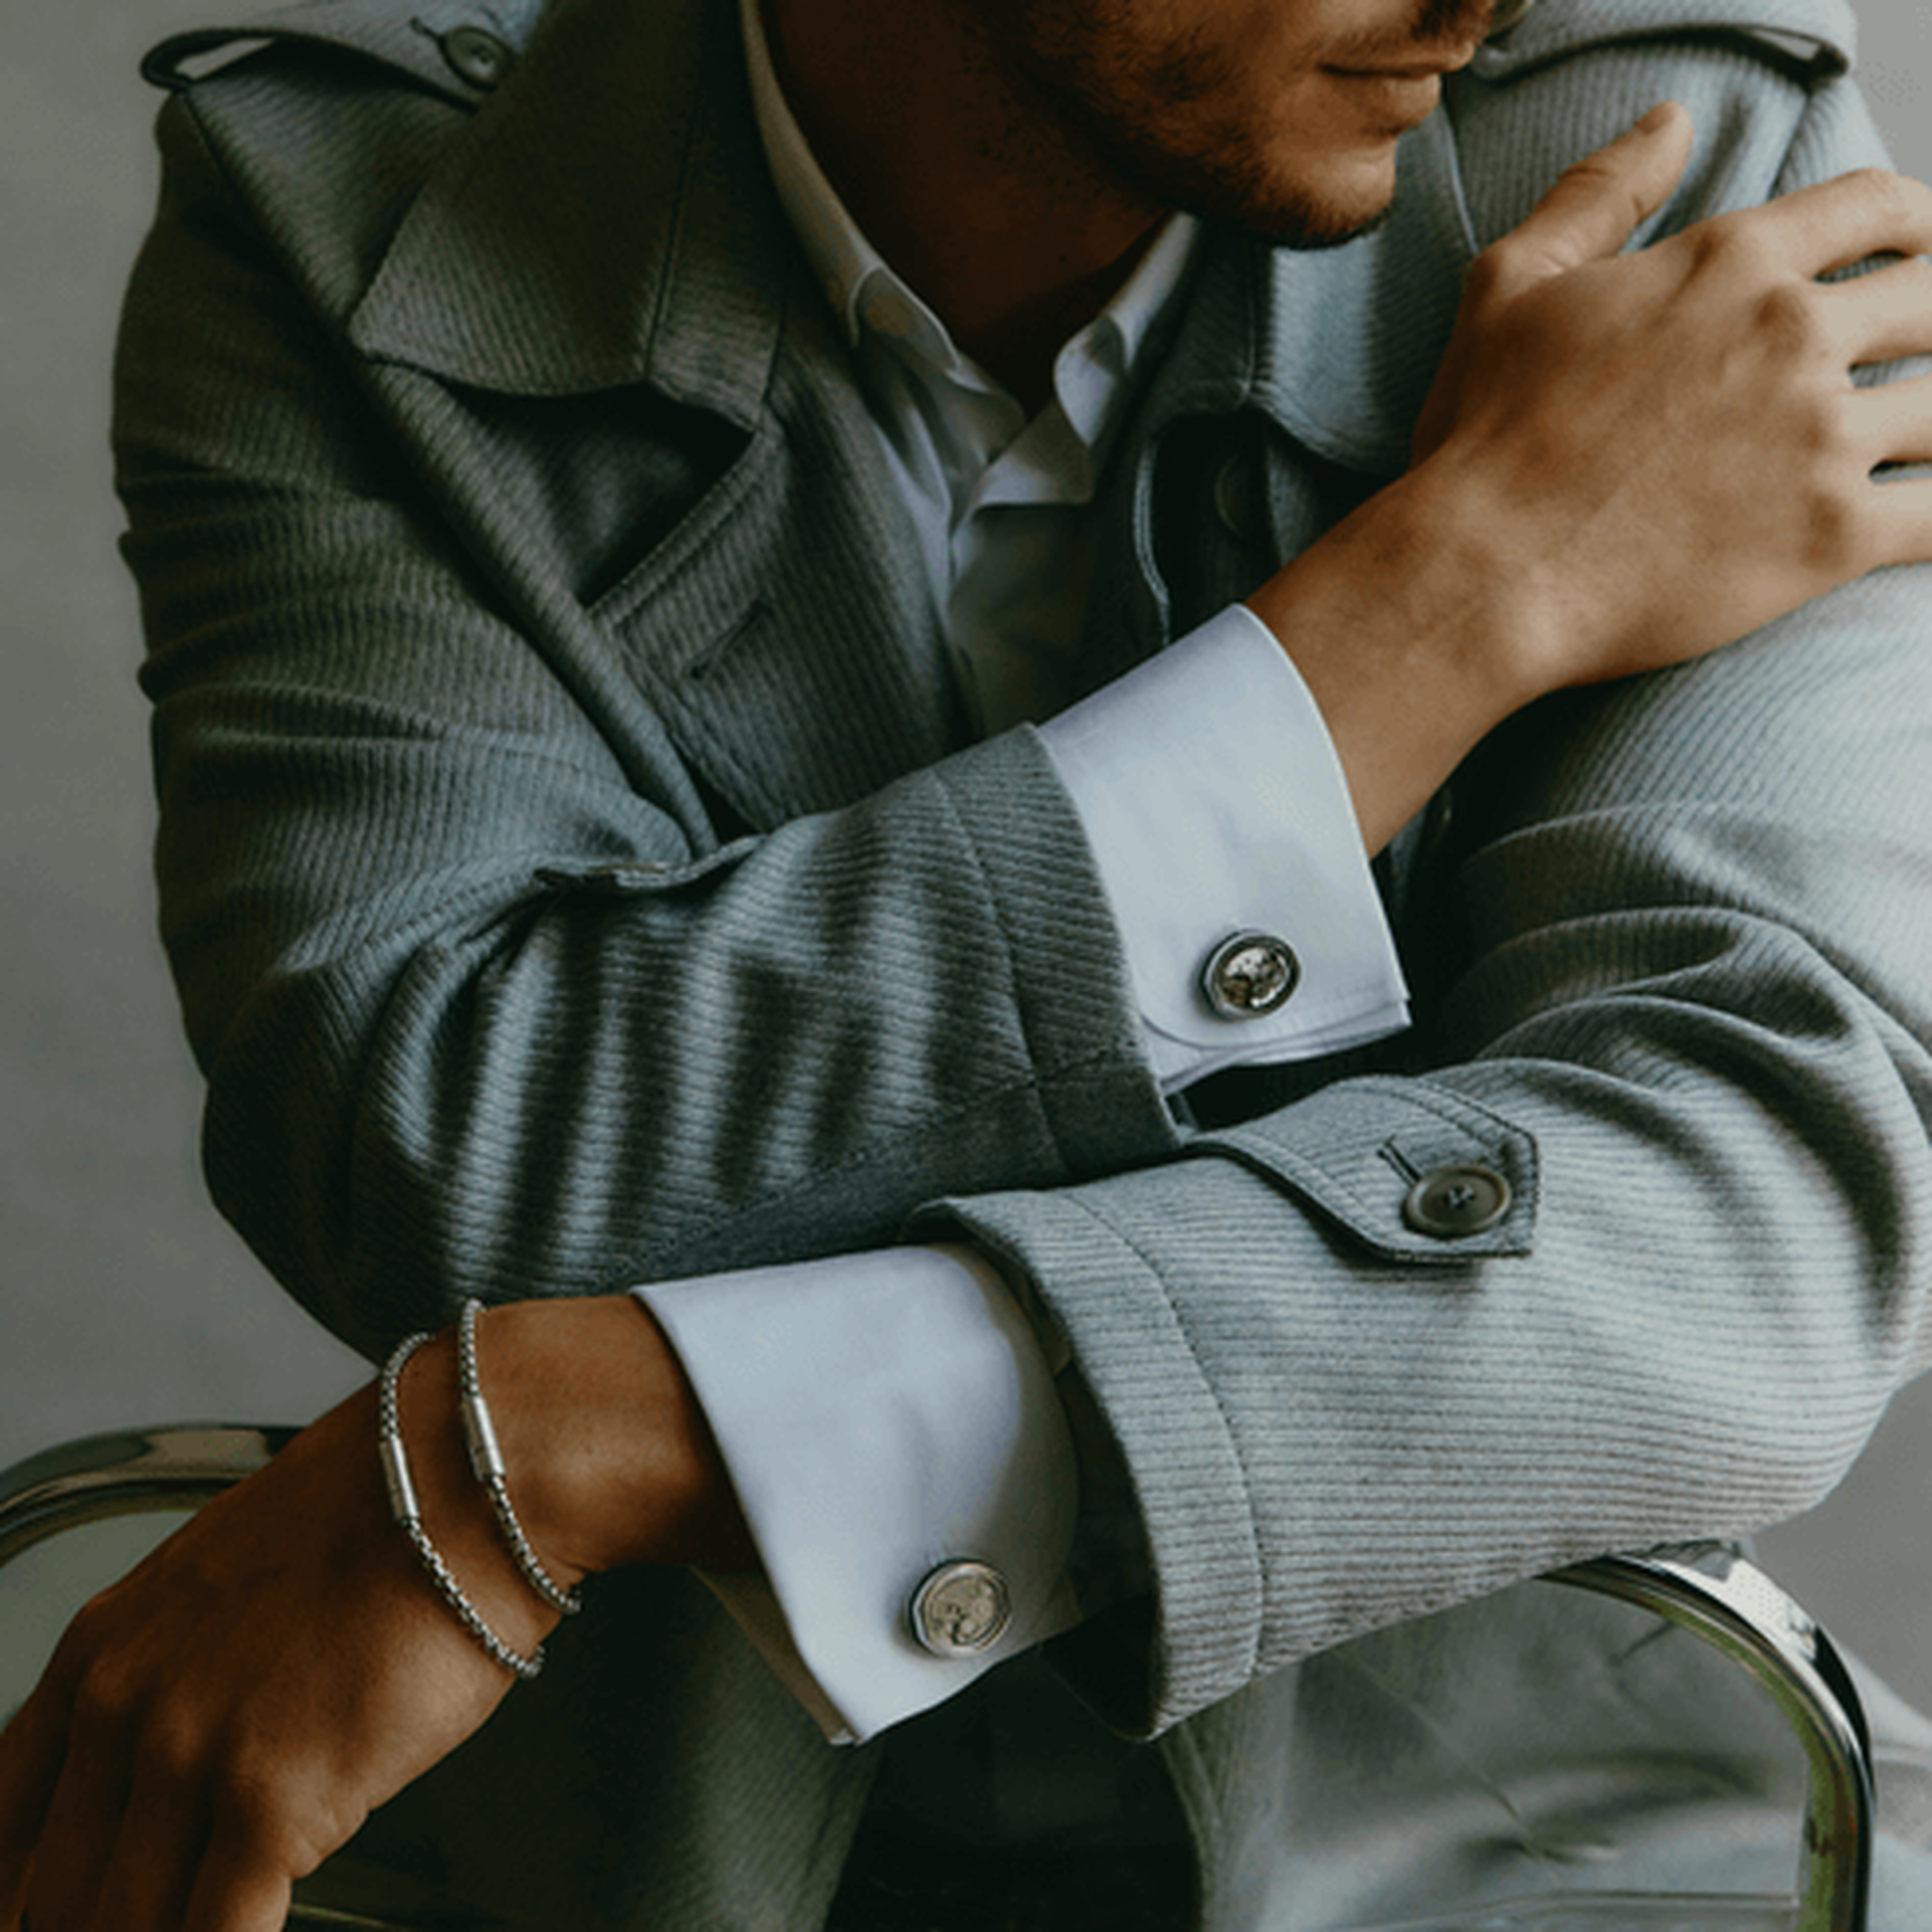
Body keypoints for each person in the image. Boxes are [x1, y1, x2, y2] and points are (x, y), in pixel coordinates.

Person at [6, 0, 1932, 1922]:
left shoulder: (1670, 147)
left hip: (1542, 1850)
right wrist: (1454, 596)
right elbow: (437, 1145)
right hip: (650, 1859)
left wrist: (632, 1427)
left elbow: (1756, 1208)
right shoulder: (367, 205)